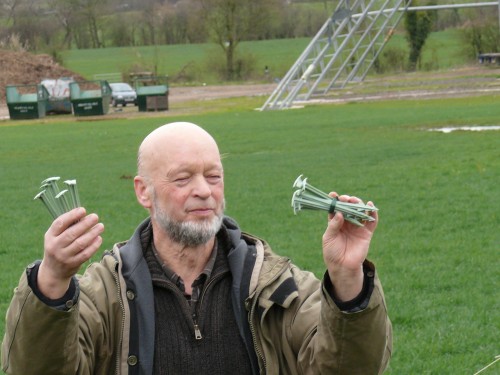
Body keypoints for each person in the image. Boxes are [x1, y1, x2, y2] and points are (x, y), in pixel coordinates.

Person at [1, 122, 392, 374]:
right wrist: (51, 281)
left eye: (213, 175)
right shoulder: (103, 296)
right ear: (144, 191)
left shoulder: (277, 288)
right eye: (183, 178)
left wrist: (347, 281)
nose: (203, 190)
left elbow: (351, 369)